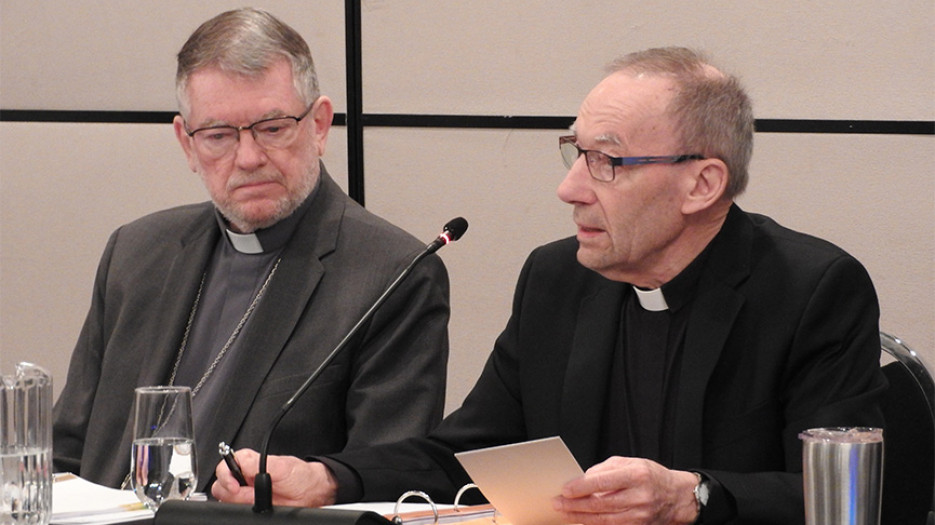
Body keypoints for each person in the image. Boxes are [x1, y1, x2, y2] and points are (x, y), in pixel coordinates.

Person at [213, 47, 886, 524]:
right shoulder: (556, 278)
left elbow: (839, 499)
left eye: (606, 162)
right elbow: (470, 454)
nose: (569, 189)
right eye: (575, 152)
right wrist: (329, 478)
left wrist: (694, 496)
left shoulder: (812, 290)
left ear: (701, 183)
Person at [52, 7, 450, 493]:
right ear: (187, 143)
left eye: (273, 127)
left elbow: (380, 485)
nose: (248, 158)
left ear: (320, 125)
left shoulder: (392, 275)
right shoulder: (136, 253)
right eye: (218, 136)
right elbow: (65, 450)